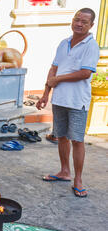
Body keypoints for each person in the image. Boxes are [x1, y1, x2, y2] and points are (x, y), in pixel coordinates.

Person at [36, 8, 99, 198]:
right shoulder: (64, 43)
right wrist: (46, 93)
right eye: (76, 19)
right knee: (61, 136)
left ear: (91, 25)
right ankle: (64, 172)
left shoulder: (91, 45)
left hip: (77, 100)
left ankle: (78, 180)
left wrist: (59, 80)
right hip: (60, 99)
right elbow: (53, 69)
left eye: (84, 22)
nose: (79, 24)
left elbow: (85, 73)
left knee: (77, 140)